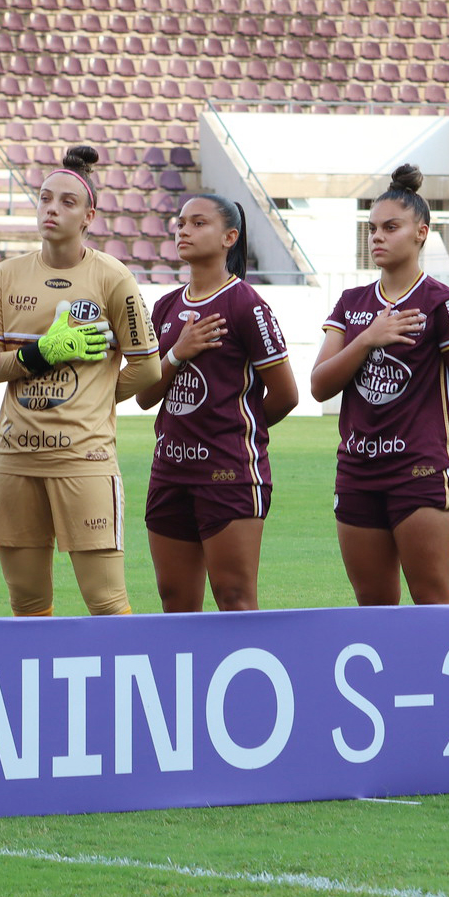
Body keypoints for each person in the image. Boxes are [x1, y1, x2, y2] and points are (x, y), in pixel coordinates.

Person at [0, 146, 160, 616]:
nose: (52, 209)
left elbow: (149, 368)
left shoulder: (113, 278)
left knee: (107, 604)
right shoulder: (4, 276)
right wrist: (39, 354)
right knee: (27, 605)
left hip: (85, 459)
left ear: (89, 216)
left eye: (66, 202)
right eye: (45, 198)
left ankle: (125, 691)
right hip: (15, 458)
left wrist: (93, 396)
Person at [310, 164, 449, 605]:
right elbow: (319, 385)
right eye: (372, 229)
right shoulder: (352, 304)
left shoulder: (443, 303)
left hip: (421, 474)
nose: (377, 238)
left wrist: (426, 437)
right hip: (357, 472)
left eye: (391, 227)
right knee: (373, 607)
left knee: (432, 602)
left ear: (421, 233)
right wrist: (367, 338)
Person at [137, 194, 298, 612]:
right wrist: (178, 352)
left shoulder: (246, 305)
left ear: (230, 237)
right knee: (175, 604)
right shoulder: (166, 307)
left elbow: (286, 394)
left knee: (235, 600)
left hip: (228, 474)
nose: (183, 230)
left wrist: (237, 430)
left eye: (197, 223)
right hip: (169, 473)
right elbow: (144, 394)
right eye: (180, 223)